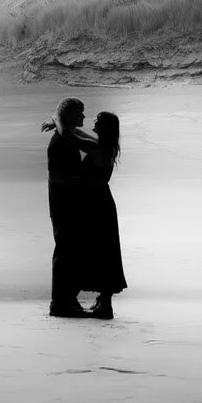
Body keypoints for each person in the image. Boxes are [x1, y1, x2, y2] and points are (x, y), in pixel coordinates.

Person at [42, 97, 92, 316]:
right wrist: (83, 182)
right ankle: (60, 303)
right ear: (70, 116)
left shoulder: (66, 137)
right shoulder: (60, 142)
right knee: (65, 252)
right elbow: (56, 176)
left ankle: (67, 299)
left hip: (66, 203)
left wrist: (57, 120)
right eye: (79, 113)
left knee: (69, 252)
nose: (83, 116)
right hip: (64, 205)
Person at [79, 111, 127, 320]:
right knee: (104, 250)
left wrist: (60, 124)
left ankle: (105, 304)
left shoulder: (99, 149)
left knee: (102, 251)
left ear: (105, 127)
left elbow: (76, 139)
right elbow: (82, 135)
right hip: (100, 201)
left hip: (97, 203)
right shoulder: (104, 145)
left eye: (98, 121)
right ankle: (104, 300)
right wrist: (60, 124)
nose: (94, 122)